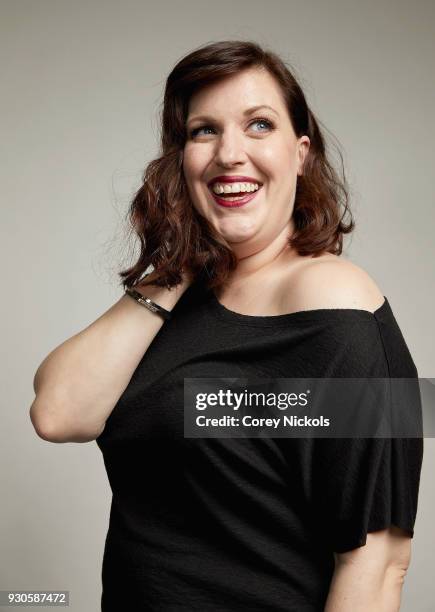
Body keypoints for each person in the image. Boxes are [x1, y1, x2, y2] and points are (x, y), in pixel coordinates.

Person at [30, 40, 423, 611]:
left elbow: (381, 563)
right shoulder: (181, 296)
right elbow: (57, 413)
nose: (228, 154)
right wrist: (179, 264)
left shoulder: (340, 308)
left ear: (301, 153)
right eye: (203, 131)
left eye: (259, 125)